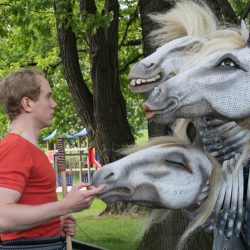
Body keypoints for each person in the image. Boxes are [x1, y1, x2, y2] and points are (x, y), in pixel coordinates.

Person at [0, 69, 106, 249]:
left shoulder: (29, 149)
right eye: (48, 97)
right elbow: (2, 217)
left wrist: (55, 221)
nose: (54, 104)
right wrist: (65, 206)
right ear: (27, 103)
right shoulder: (15, 148)